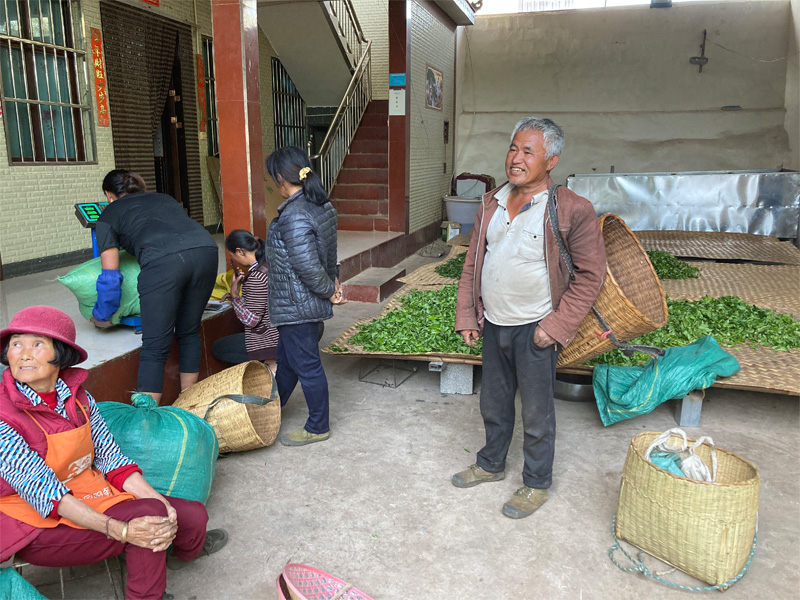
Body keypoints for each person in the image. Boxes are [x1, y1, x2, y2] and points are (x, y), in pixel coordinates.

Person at [0, 306, 228, 600]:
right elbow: (45, 493)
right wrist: (121, 530)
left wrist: (160, 502)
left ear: (61, 355)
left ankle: (169, 550)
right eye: (16, 343)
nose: (23, 353)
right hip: (33, 521)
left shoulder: (78, 398)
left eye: (37, 344)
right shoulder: (4, 416)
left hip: (85, 492)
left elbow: (111, 459)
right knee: (148, 520)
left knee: (191, 516)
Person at [452, 117, 606, 519]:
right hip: (494, 323)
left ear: (551, 160)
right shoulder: (492, 202)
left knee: (537, 412)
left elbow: (591, 276)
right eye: (513, 148)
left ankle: (535, 483)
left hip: (536, 327)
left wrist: (553, 328)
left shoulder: (573, 209)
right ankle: (489, 463)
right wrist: (468, 313)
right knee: (494, 402)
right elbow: (473, 262)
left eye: (528, 152)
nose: (516, 159)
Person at [92, 170, 219, 402]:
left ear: (109, 195)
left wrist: (102, 315)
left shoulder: (108, 214)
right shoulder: (165, 198)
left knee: (154, 347)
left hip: (163, 262)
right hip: (206, 251)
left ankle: (148, 422)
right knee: (188, 331)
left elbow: (110, 277)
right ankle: (189, 405)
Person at [264, 147, 346, 447]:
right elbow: (330, 254)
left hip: (297, 307)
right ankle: (273, 408)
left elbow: (308, 268)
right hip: (302, 306)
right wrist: (334, 284)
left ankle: (318, 426)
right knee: (287, 363)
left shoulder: (293, 215)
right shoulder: (321, 205)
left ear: (280, 179)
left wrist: (329, 291)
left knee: (308, 366)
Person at [212, 230, 279, 371]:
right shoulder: (270, 264)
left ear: (240, 251)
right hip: (283, 331)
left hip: (271, 339)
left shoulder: (256, 277)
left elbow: (252, 320)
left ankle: (267, 366)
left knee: (218, 348)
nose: (235, 261)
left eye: (232, 256)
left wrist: (235, 297)